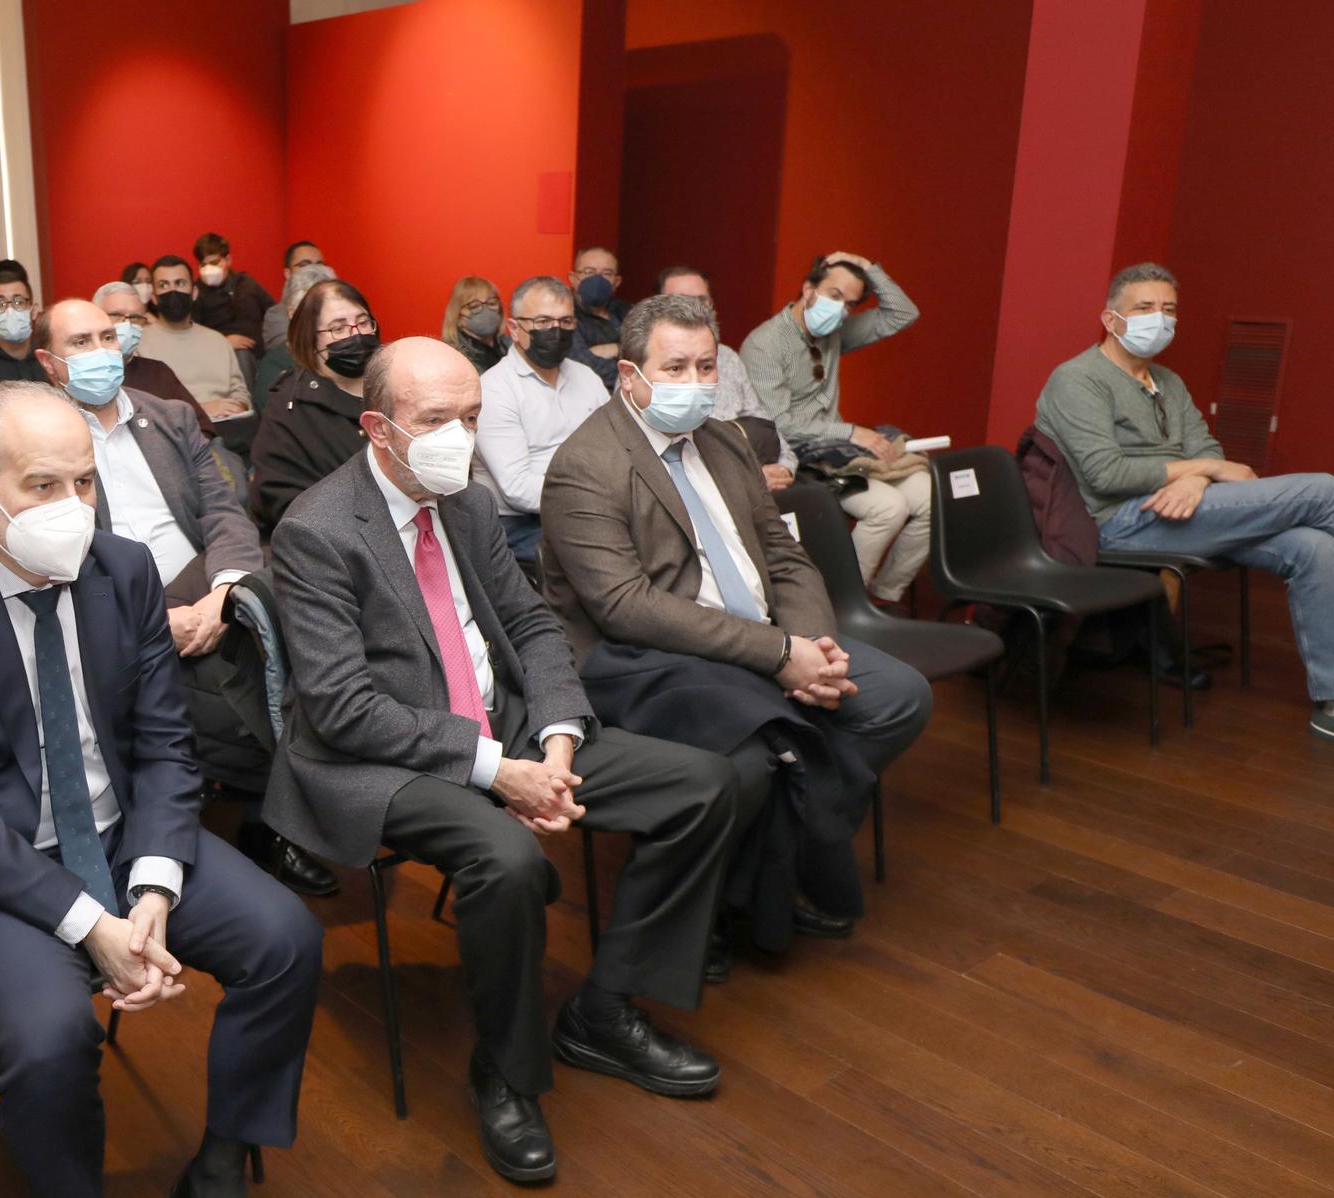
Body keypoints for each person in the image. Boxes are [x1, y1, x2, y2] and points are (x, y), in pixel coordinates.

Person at [264, 337, 745, 1184]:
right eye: (437, 420)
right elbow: (344, 710)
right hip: (381, 758)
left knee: (704, 785)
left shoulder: (468, 503)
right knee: (508, 857)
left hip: (507, 724)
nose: (461, 436)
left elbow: (531, 627)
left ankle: (603, 1009)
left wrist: (558, 735)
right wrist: (497, 771)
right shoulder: (316, 530)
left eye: (474, 418)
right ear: (378, 428)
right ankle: (508, 1073)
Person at [0, 382, 323, 1197]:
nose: (72, 506)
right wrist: (90, 924)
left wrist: (153, 882)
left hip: (116, 832)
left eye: (84, 481)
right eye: (42, 485)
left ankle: (220, 1163)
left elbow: (165, 742)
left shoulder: (124, 568)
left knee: (285, 940)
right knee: (49, 1038)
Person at [540, 294, 934, 967]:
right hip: (660, 662)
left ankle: (773, 864)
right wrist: (780, 655)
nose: (695, 385)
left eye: (704, 367)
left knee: (900, 695)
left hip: (767, 639)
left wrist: (814, 645)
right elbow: (628, 607)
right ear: (630, 378)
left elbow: (784, 555)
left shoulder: (723, 440)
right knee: (756, 750)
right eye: (675, 369)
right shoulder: (585, 465)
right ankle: (741, 890)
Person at [36, 298, 337, 897]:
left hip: (205, 580)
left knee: (289, 623)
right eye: (80, 343)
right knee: (223, 681)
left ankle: (270, 812)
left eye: (107, 335)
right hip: (108, 593)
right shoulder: (39, 439)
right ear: (48, 362)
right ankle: (261, 821)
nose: (101, 351)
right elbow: (55, 552)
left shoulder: (168, 416)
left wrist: (224, 592)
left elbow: (224, 511)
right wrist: (151, 617)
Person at [1037, 263, 1334, 740]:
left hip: (1189, 508)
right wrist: (1208, 471)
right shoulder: (1077, 379)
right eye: (1145, 308)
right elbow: (1106, 473)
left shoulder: (1168, 383)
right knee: (1323, 489)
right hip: (1123, 520)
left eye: (1168, 309)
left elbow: (1207, 450)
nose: (1160, 318)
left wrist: (1198, 478)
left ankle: (1332, 701)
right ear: (1112, 318)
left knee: (1314, 547)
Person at [741, 252, 924, 602]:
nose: (840, 310)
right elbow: (778, 425)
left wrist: (869, 267)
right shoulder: (765, 344)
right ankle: (839, 602)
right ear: (808, 289)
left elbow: (904, 313)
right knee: (889, 508)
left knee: (929, 496)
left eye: (850, 304)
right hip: (798, 456)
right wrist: (851, 432)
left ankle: (881, 595)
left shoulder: (834, 331)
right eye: (834, 295)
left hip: (835, 452)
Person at [472, 275, 610, 560]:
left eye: (565, 322)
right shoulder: (495, 389)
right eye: (543, 322)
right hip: (519, 524)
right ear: (514, 328)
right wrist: (595, 496)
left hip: (592, 509)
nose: (556, 331)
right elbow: (517, 488)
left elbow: (617, 449)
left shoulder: (587, 377)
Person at [246, 279, 378, 533]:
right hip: (335, 541)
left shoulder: (396, 388)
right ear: (310, 339)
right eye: (338, 329)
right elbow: (278, 499)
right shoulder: (289, 406)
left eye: (363, 323)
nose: (356, 335)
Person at [659, 266, 797, 491]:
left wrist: (785, 466)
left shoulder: (728, 357)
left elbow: (763, 425)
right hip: (691, 489)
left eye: (702, 300)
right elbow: (664, 455)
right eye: (681, 301)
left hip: (754, 479)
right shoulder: (647, 364)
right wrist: (748, 478)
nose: (694, 309)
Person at [90, 280, 213, 435]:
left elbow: (202, 428)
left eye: (135, 317)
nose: (126, 324)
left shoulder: (158, 372)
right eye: (116, 315)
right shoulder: (80, 376)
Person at [138, 256, 251, 422]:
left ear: (194, 292)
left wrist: (239, 406)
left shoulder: (217, 340)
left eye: (180, 283)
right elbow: (145, 406)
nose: (173, 291)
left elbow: (240, 390)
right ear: (154, 298)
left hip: (229, 427)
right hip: (176, 433)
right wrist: (201, 410)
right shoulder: (140, 344)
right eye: (163, 285)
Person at [254, 262, 335, 403]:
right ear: (292, 313)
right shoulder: (276, 364)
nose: (323, 317)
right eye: (314, 310)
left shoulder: (348, 352)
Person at [192, 231, 276, 352]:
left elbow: (273, 312)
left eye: (215, 263)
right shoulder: (195, 294)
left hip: (260, 355)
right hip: (220, 356)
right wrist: (224, 342)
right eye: (203, 265)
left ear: (228, 260)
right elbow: (191, 335)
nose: (209, 269)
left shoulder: (246, 283)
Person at [0, 261, 48, 385]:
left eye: (18, 302)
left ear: (33, 311)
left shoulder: (49, 361)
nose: (10, 310)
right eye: (0, 304)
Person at [260, 241, 327, 355]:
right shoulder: (277, 315)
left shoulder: (340, 307)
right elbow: (288, 353)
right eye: (305, 265)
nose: (314, 271)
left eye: (319, 265)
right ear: (288, 274)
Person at [442, 275, 508, 375]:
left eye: (492, 303)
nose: (486, 310)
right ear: (457, 314)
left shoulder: (512, 346)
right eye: (474, 306)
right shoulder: (454, 357)